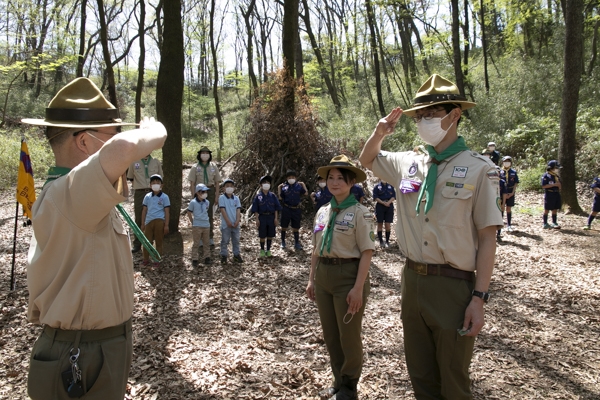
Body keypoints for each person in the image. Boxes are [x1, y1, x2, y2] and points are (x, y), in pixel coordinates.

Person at [21, 77, 167, 399]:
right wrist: (155, 131)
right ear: (85, 143)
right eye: (111, 132)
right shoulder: (71, 192)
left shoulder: (74, 195)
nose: (117, 137)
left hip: (93, 350)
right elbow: (125, 149)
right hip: (81, 354)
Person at [359, 74, 502, 400]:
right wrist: (379, 133)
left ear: (455, 115)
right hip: (412, 281)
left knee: (453, 380)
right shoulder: (409, 164)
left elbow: (488, 237)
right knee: (421, 376)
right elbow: (367, 160)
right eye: (421, 115)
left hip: (454, 287)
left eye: (433, 113)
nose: (425, 121)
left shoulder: (480, 169)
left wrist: (479, 298)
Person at [306, 155, 376, 400]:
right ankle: (338, 380)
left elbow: (367, 252)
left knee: (348, 334)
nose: (334, 183)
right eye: (330, 178)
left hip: (349, 275)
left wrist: (358, 288)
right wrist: (312, 279)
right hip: (324, 275)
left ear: (351, 182)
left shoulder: (360, 213)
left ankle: (349, 385)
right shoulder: (323, 212)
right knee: (331, 333)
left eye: (340, 178)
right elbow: (316, 248)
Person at [127, 154, 163, 252]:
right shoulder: (134, 161)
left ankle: (151, 243)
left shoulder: (156, 161)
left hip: (154, 192)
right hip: (140, 192)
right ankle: (137, 244)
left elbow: (161, 177)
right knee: (139, 217)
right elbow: (130, 177)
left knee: (154, 217)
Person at [188, 146, 221, 247]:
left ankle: (210, 237)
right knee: (198, 214)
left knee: (209, 215)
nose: (205, 155)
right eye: (203, 153)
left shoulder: (213, 166)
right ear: (199, 154)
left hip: (210, 191)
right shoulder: (195, 167)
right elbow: (192, 183)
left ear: (210, 155)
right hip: (199, 192)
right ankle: (200, 239)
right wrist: (194, 196)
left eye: (207, 153)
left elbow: (217, 183)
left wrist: (216, 196)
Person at [141, 174, 170, 266]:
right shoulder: (147, 196)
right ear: (150, 185)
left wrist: (166, 225)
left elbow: (167, 211)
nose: (155, 184)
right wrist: (142, 223)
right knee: (147, 241)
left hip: (159, 221)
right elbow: (144, 210)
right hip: (148, 221)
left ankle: (157, 260)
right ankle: (146, 259)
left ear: (161, 185)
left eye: (158, 182)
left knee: (159, 241)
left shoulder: (165, 197)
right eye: (153, 183)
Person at [250, 175, 282, 257]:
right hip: (262, 217)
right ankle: (262, 250)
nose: (266, 184)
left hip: (271, 217)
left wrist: (276, 218)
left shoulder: (273, 196)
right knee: (262, 234)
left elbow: (276, 208)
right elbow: (255, 209)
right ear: (260, 185)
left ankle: (268, 250)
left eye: (268, 182)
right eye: (264, 183)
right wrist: (257, 219)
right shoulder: (258, 197)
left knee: (270, 234)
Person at [278, 169, 308, 250]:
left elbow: (305, 193)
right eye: (289, 177)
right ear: (287, 178)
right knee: (284, 226)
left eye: (293, 177)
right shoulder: (284, 187)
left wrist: (303, 184)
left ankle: (297, 243)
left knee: (296, 227)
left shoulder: (298, 186)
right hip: (286, 208)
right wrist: (279, 188)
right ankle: (283, 242)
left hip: (296, 209)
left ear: (295, 178)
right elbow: (280, 197)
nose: (291, 179)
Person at [219, 179, 243, 263]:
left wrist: (237, 220)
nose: (229, 188)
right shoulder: (222, 198)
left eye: (231, 186)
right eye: (227, 186)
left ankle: (236, 255)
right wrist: (228, 221)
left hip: (235, 224)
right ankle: (224, 255)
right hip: (226, 225)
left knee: (236, 240)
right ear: (223, 188)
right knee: (225, 241)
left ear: (234, 188)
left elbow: (238, 210)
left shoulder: (236, 198)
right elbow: (222, 210)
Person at [187, 183, 211, 266]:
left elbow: (206, 211)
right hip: (197, 225)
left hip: (206, 225)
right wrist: (192, 221)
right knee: (196, 242)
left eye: (205, 192)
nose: (204, 193)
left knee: (206, 242)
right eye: (202, 192)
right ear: (197, 193)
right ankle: (194, 258)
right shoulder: (193, 202)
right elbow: (189, 212)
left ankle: (207, 257)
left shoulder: (207, 202)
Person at [372, 179, 396, 248]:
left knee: (387, 224)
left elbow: (394, 196)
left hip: (389, 206)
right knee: (380, 223)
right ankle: (381, 241)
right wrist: (383, 203)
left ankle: (387, 241)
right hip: (380, 206)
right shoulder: (377, 187)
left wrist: (388, 202)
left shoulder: (391, 186)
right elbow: (375, 197)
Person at [500, 155, 519, 231]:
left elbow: (515, 183)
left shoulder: (513, 172)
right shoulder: (500, 171)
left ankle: (509, 225)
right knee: (501, 208)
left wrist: (512, 193)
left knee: (509, 208)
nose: (507, 163)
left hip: (510, 192)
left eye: (508, 161)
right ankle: (500, 225)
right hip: (502, 192)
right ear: (502, 162)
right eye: (505, 162)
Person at [541, 160, 562, 229]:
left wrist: (559, 186)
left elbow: (559, 185)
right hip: (549, 194)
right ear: (551, 167)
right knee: (547, 209)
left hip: (556, 193)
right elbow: (543, 186)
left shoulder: (556, 176)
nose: (557, 170)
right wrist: (554, 185)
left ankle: (554, 222)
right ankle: (545, 223)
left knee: (555, 208)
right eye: (556, 168)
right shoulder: (546, 176)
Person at [497, 166, 508, 241]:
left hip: (499, 202)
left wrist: (503, 204)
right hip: (490, 202)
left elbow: (504, 194)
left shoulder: (502, 182)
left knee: (500, 217)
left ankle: (498, 234)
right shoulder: (488, 181)